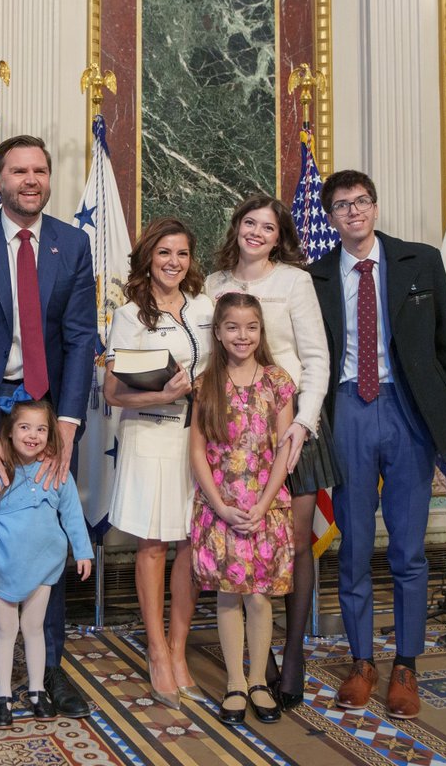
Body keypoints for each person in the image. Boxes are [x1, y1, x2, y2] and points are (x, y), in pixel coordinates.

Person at [309, 171, 446, 720]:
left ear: (375, 207)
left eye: (361, 202)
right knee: (353, 547)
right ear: (330, 216)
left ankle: (405, 664)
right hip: (349, 410)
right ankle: (362, 662)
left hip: (409, 412)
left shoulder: (418, 261)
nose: (353, 212)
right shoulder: (318, 277)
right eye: (341, 206)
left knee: (407, 549)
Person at [0, 134, 96, 721]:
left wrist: (68, 424)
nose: (30, 180)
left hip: (48, 417)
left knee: (46, 540)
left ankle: (47, 668)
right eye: (18, 171)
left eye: (40, 171)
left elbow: (81, 336)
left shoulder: (71, 244)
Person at [205, 194, 337, 709]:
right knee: (240, 544)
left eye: (268, 227)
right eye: (249, 222)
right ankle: (255, 664)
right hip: (233, 437)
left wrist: (304, 422)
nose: (257, 232)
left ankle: (293, 649)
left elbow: (318, 358)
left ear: (280, 237)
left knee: (293, 541)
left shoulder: (294, 282)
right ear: (236, 226)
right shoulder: (214, 284)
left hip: (290, 430)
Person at [103, 217, 213, 709]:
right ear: (149, 256)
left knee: (190, 542)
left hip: (198, 439)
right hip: (150, 436)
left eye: (182, 254)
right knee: (153, 544)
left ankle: (178, 647)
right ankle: (155, 650)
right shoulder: (130, 316)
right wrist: (161, 393)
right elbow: (113, 393)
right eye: (165, 253)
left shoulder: (206, 307)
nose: (173, 262)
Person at [189, 293, 296, 726]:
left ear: (260, 331)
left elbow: (287, 449)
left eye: (250, 327)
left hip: (265, 507)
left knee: (258, 595)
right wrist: (220, 506)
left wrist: (264, 504)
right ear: (218, 332)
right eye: (232, 327)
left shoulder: (278, 381)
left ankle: (257, 680)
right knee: (229, 594)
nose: (242, 335)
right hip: (220, 508)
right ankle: (234, 680)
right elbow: (197, 451)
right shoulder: (205, 383)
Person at [0, 399, 94, 729]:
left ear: (50, 435)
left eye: (41, 429)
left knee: (34, 629)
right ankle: (4, 696)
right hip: (2, 567)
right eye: (25, 427)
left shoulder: (55, 472)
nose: (33, 435)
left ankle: (37, 690)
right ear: (9, 432)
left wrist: (83, 551)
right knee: (5, 631)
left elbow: (72, 513)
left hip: (44, 566)